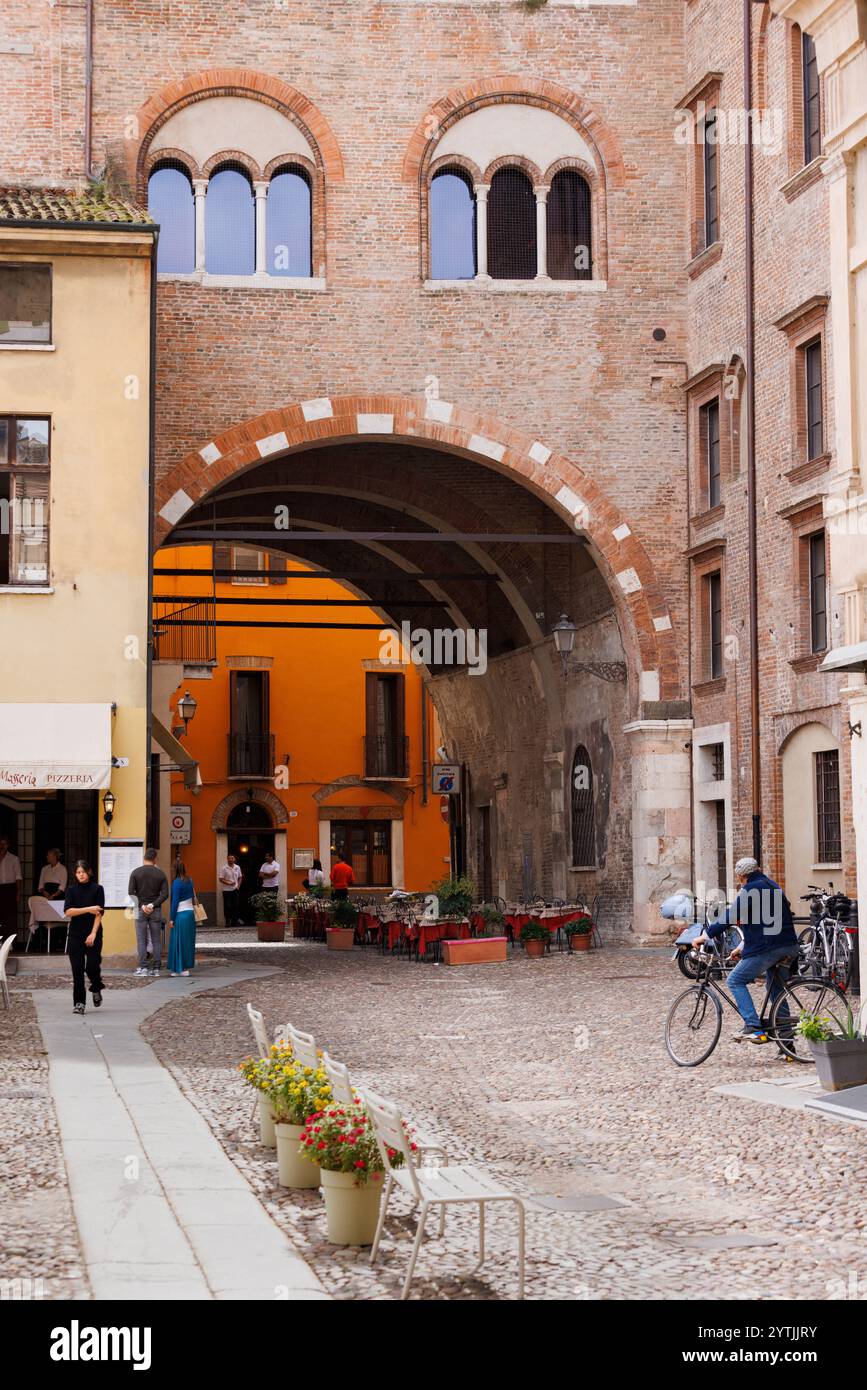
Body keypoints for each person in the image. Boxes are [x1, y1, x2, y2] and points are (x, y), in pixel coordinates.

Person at [694, 856, 798, 1043]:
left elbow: (731, 916)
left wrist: (706, 935)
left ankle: (753, 1027)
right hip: (788, 945)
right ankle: (787, 1045)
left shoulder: (751, 889)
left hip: (769, 948)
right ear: (757, 869)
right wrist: (742, 946)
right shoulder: (773, 886)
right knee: (775, 989)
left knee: (735, 980)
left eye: (739, 878)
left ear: (741, 876)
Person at [63, 860, 105, 1015]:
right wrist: (88, 909)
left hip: (93, 932)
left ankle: (96, 988)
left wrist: (93, 933)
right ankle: (79, 1003)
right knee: (77, 969)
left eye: (83, 871)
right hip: (75, 934)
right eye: (78, 872)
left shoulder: (98, 889)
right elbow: (68, 912)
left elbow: (99, 914)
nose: (81, 875)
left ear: (89, 872)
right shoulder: (71, 891)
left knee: (92, 966)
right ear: (75, 874)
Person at [128, 848, 169, 978]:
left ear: (144, 858)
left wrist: (142, 905)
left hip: (140, 910)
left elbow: (131, 892)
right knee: (156, 940)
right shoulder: (160, 874)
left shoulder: (136, 873)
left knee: (141, 940)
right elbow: (165, 894)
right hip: (155, 909)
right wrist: (153, 904)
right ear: (155, 859)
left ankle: (143, 968)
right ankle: (156, 969)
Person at [167, 860, 197, 977]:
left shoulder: (176, 883)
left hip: (180, 914)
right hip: (190, 914)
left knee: (177, 942)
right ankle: (184, 967)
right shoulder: (190, 880)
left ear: (174, 869)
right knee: (187, 942)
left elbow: (175, 902)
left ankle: (179, 968)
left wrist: (171, 918)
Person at [0, 836, 22, 940]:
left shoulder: (14, 858)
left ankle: (10, 940)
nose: (2, 846)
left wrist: (18, 892)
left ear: (7, 846)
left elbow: (18, 876)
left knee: (10, 915)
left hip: (10, 888)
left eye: (4, 844)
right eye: (0, 844)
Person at [218, 853, 243, 926]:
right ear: (227, 859)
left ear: (234, 859)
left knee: (235, 906)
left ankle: (234, 922)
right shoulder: (224, 868)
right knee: (227, 906)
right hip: (226, 890)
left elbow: (240, 877)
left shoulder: (237, 867)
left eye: (232, 858)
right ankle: (228, 922)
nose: (230, 860)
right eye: (229, 858)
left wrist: (238, 886)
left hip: (235, 889)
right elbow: (221, 879)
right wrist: (228, 883)